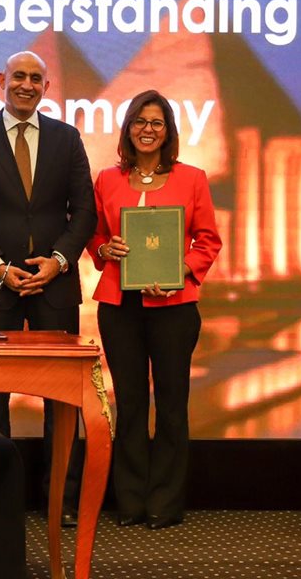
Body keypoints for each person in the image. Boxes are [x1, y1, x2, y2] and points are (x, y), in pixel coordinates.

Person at [0, 50, 97, 524]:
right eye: (19, 76)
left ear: (46, 87)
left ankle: (62, 500)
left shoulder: (67, 138)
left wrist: (58, 262)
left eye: (35, 78)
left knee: (62, 401)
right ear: (2, 80)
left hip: (55, 286)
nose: (26, 85)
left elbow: (85, 211)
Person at [86, 89, 222, 530]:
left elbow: (209, 240)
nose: (148, 129)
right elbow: (94, 235)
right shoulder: (107, 179)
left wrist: (182, 268)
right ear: (128, 129)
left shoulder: (193, 178)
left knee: (171, 404)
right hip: (120, 307)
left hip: (174, 307)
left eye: (156, 123)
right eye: (140, 122)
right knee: (127, 403)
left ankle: (165, 500)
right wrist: (104, 249)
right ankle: (129, 500)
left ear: (168, 131)